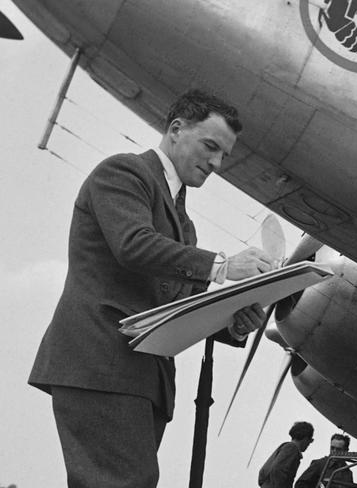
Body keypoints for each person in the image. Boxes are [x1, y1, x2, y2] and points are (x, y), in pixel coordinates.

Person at [28, 90, 277, 488]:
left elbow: (178, 302)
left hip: (141, 379)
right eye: (210, 146)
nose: (215, 163)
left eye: (224, 156)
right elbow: (133, 244)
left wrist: (234, 322)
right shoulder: (123, 173)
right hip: (102, 364)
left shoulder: (183, 222)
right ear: (176, 130)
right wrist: (225, 267)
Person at [259, 421, 316, 488]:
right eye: (310, 440)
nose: (309, 444)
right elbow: (278, 470)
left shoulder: (286, 447)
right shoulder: (292, 449)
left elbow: (263, 473)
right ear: (306, 438)